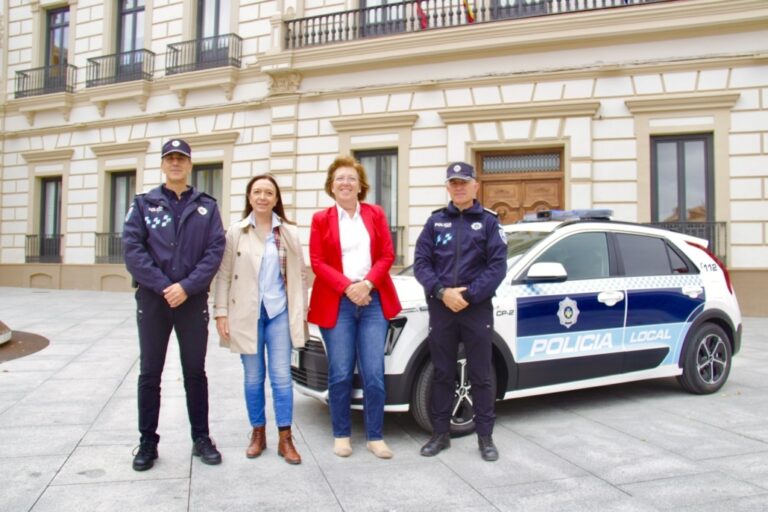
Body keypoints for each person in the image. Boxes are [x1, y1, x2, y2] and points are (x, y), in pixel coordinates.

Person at [123, 138, 226, 471]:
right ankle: (147, 442)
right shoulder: (144, 204)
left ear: (190, 164)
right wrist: (165, 286)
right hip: (153, 300)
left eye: (182, 158)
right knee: (150, 372)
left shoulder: (207, 207)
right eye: (170, 158)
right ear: (163, 164)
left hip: (191, 301)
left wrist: (186, 286)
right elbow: (133, 250)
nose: (176, 163)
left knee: (195, 371)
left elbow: (215, 251)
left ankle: (201, 438)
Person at [308, 156, 402, 459]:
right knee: (340, 373)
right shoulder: (320, 219)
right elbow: (317, 261)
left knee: (374, 372)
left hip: (372, 301)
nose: (345, 183)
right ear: (331, 186)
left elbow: (387, 255)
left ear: (360, 185)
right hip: (337, 302)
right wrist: (348, 287)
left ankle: (375, 437)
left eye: (351, 178)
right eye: (340, 178)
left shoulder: (375, 214)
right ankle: (341, 435)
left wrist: (367, 284)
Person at [413, 161, 507, 462]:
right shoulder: (435, 222)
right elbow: (421, 264)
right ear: (448, 187)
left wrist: (468, 295)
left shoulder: (489, 222)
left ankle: (485, 438)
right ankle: (440, 434)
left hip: (475, 309)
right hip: (442, 308)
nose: (459, 187)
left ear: (475, 185)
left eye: (464, 182)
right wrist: (443, 292)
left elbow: (497, 267)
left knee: (481, 374)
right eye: (453, 183)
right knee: (442, 373)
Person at [213, 174, 308, 465]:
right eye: (257, 192)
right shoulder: (236, 232)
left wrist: (301, 312)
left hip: (279, 313)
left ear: (276, 199)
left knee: (281, 377)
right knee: (253, 377)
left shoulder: (289, 232)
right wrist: (221, 312)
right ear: (249, 197)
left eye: (268, 192)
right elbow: (223, 275)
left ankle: (285, 438)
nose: (263, 197)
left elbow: (300, 276)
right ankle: (258, 433)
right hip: (247, 314)